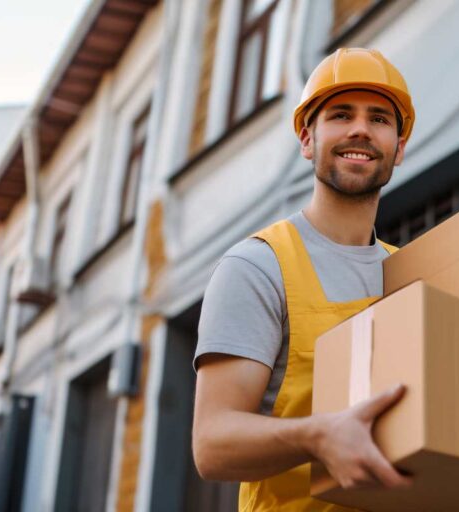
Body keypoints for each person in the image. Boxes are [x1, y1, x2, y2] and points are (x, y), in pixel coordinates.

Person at [192, 48, 416, 511]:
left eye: (379, 118)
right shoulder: (258, 266)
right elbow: (211, 444)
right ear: (306, 139)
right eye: (340, 114)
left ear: (399, 147)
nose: (360, 129)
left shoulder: (413, 271)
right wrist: (318, 435)